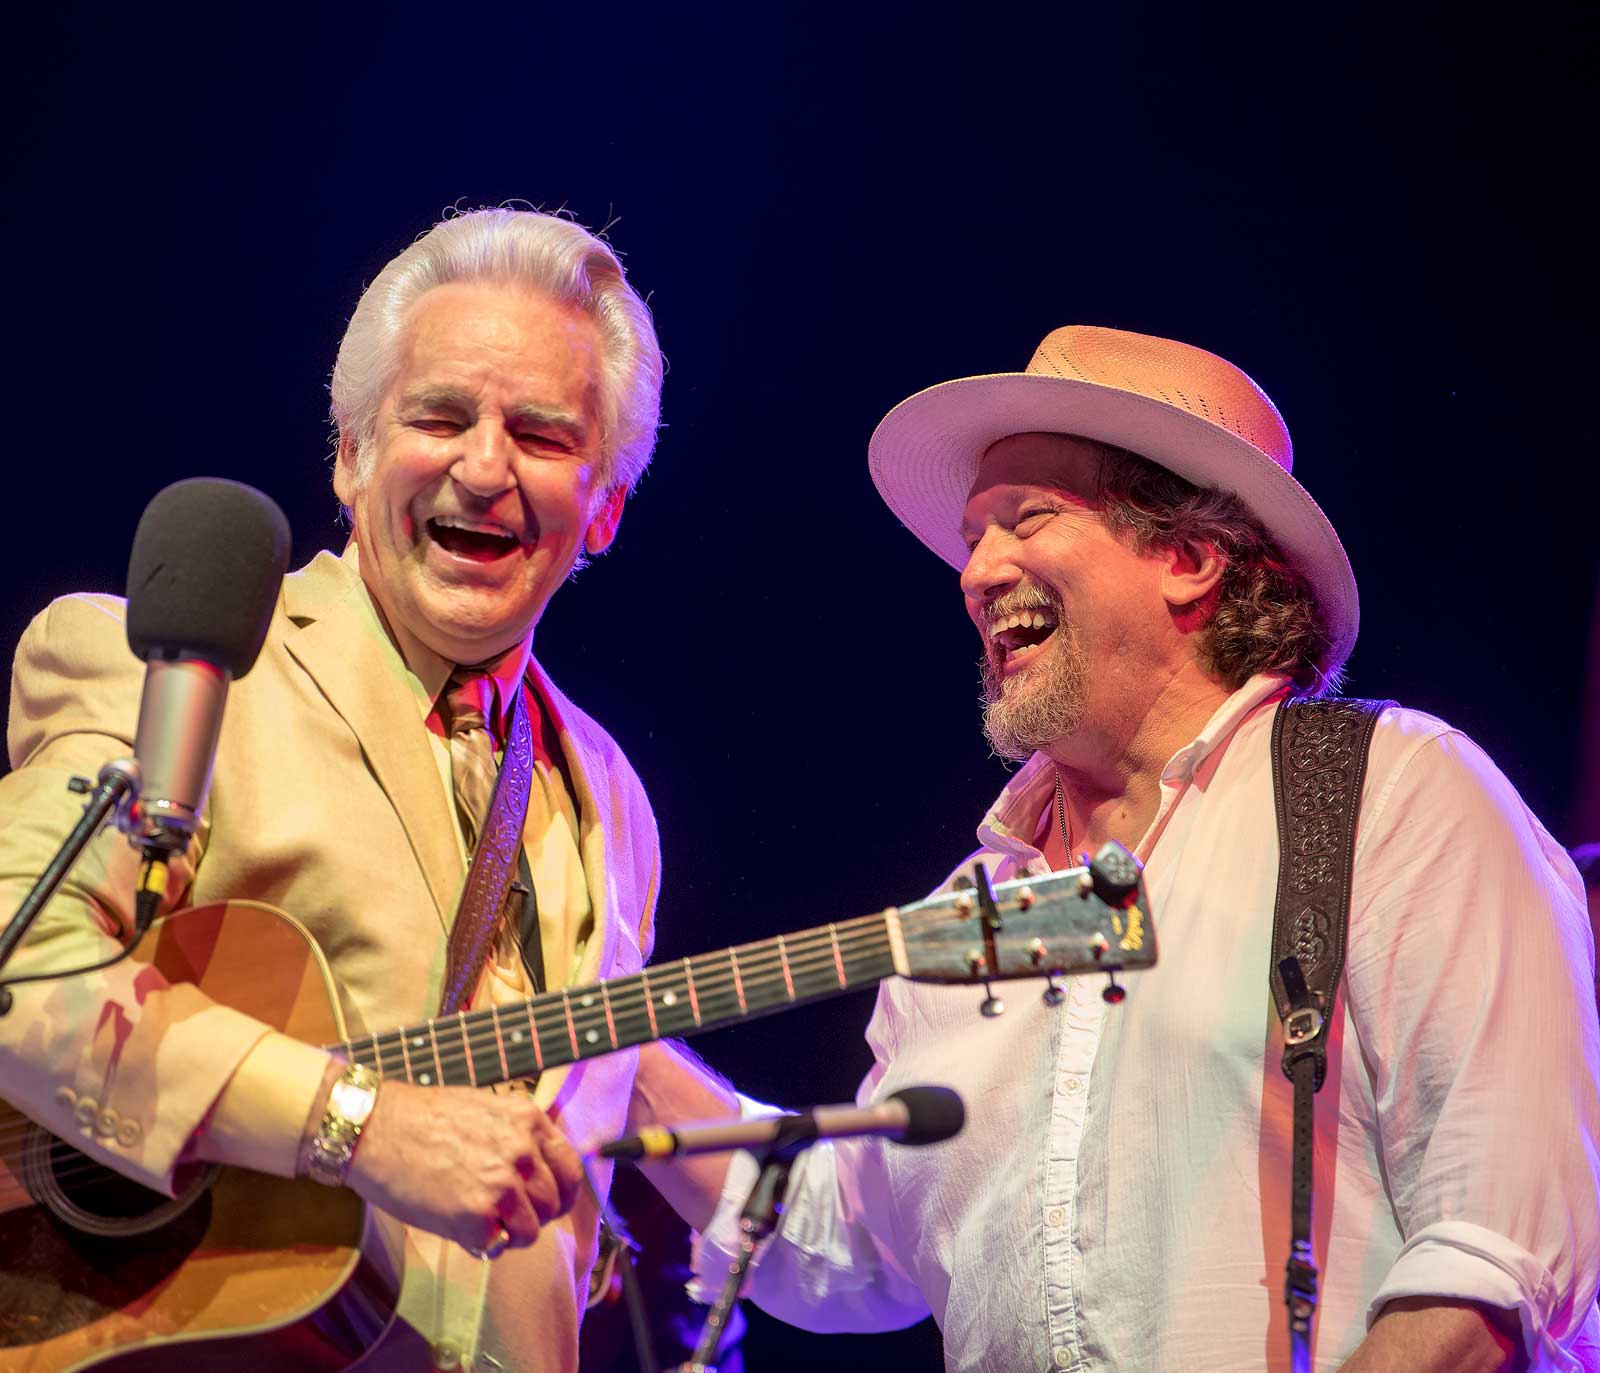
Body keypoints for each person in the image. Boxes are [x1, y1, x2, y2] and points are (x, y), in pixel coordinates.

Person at [636, 326, 1600, 1370]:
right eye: (973, 537)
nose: (976, 572)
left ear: (1187, 559)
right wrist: (605, 1043)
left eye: (1025, 519)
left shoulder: (1391, 794)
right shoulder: (966, 912)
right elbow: (846, 1244)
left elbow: (1497, 1255)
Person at [0, 207, 664, 1373]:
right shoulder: (175, 671)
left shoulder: (612, 798)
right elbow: (22, 969)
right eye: (441, 415)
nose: (485, 465)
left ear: (602, 502)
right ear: (352, 456)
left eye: (543, 433)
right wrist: (354, 1122)